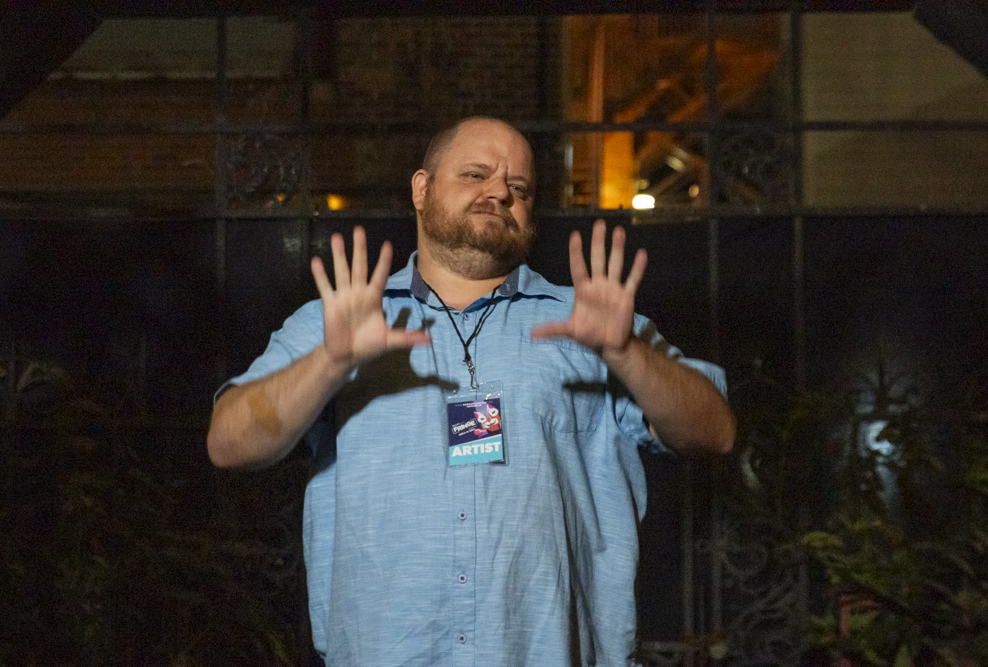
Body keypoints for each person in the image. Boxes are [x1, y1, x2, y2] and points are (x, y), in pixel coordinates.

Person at [207, 116, 735, 667]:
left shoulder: (597, 322)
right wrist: (331, 361)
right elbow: (229, 444)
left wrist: (626, 351)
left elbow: (715, 432)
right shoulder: (339, 322)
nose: (499, 192)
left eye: (519, 188)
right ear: (422, 188)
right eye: (476, 174)